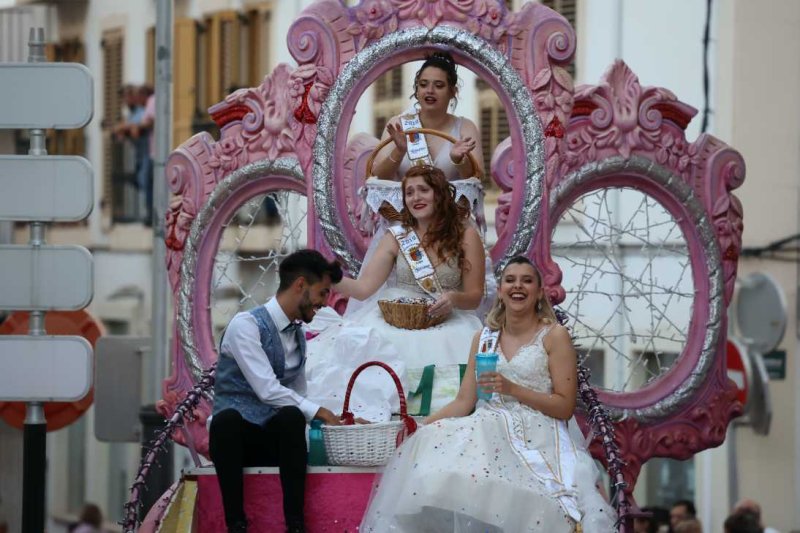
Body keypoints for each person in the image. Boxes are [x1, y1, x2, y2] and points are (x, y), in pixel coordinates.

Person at [359, 256, 616, 532]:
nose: (518, 286)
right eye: (510, 280)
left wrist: (512, 389)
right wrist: (421, 427)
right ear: (501, 291)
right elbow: (463, 401)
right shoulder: (483, 338)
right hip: (489, 428)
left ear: (539, 292)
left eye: (527, 281)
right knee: (432, 453)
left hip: (538, 434)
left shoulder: (554, 336)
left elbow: (564, 407)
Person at [305, 165, 486, 420]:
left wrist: (454, 299)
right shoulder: (397, 236)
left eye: (423, 190)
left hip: (448, 322)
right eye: (409, 192)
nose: (415, 197)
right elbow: (363, 288)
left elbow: (475, 296)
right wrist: (329, 276)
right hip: (394, 319)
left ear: (440, 194)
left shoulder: (466, 235)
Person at [209, 249, 344, 533]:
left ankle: (295, 525)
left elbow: (297, 396)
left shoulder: (298, 336)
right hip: (235, 444)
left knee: (293, 417)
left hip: (272, 443)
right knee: (227, 421)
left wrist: (337, 423)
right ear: (300, 286)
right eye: (322, 293)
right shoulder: (245, 325)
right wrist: (320, 412)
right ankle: (236, 524)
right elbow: (267, 390)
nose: (324, 302)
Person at [371, 51, 484, 181]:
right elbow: (376, 178)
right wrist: (399, 151)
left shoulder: (465, 127)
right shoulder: (399, 125)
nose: (430, 90)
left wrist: (459, 161)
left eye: (439, 85)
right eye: (423, 84)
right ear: (417, 90)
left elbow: (478, 178)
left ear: (452, 92)